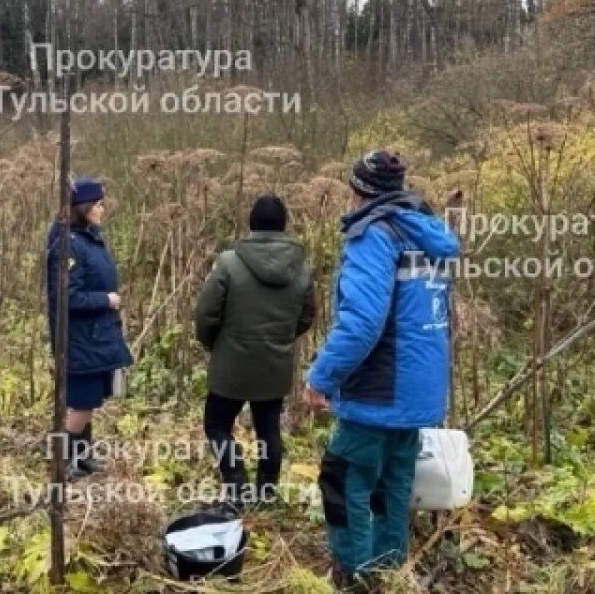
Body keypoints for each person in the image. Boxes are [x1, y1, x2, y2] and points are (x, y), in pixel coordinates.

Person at [302, 150, 460, 589]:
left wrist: (321, 377)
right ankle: (390, 572)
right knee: (392, 482)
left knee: (343, 478)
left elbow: (362, 323)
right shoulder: (425, 233)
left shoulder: (373, 235)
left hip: (379, 387)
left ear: (357, 191)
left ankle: (356, 576)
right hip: (418, 389)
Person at [195, 194, 315, 510]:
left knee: (217, 425)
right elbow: (306, 317)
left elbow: (206, 314)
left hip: (231, 363)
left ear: (251, 223)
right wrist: (281, 338)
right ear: (284, 225)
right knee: (268, 428)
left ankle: (237, 487)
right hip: (274, 364)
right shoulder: (301, 269)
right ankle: (266, 493)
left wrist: (214, 344)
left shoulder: (228, 263)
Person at [45, 177, 133, 479]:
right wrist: (106, 300)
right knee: (82, 403)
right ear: (83, 208)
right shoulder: (67, 245)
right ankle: (61, 460)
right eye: (98, 205)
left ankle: (82, 457)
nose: (102, 209)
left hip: (97, 335)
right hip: (80, 338)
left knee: (90, 401)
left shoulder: (88, 239)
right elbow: (66, 296)